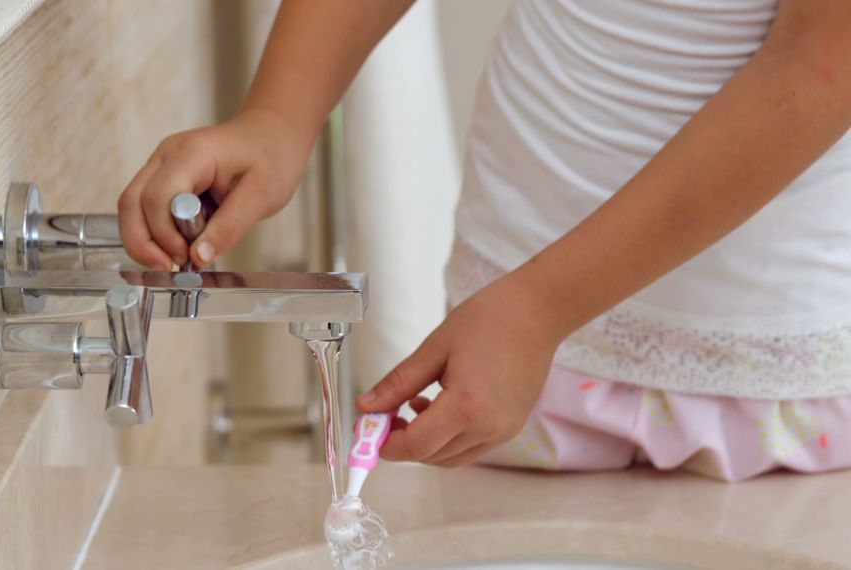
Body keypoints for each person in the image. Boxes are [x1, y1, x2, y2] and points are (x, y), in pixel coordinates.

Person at [117, 0, 851, 481]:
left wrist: (540, 305)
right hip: (515, 357)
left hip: (770, 382)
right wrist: (278, 116)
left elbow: (820, 73)